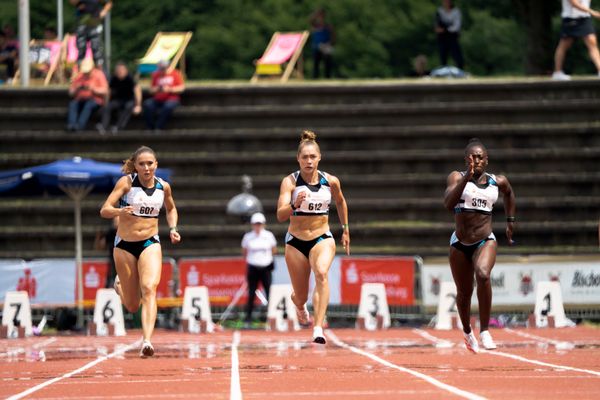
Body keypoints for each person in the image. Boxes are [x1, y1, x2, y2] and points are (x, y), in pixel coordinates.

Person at [100, 146, 180, 357]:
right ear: (135, 166)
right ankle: (120, 286)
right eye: (142, 164)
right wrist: (119, 210)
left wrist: (172, 229)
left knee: (149, 288)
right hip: (125, 245)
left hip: (150, 242)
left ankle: (147, 341)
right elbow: (104, 209)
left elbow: (171, 209)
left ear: (156, 165)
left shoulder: (164, 187)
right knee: (133, 305)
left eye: (150, 163)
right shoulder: (126, 183)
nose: (146, 168)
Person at [276, 130, 350, 344]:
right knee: (301, 296)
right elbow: (280, 215)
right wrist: (293, 205)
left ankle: (318, 327)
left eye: (312, 157)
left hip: (321, 238)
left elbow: (340, 202)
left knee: (321, 273)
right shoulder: (290, 182)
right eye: (305, 157)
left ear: (320, 158)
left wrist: (345, 228)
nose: (309, 161)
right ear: (298, 159)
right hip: (296, 241)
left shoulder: (331, 181)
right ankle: (299, 304)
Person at [443, 138, 516, 353]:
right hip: (460, 243)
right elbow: (448, 203)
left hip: (485, 240)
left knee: (483, 274)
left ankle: (485, 330)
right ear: (466, 159)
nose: (477, 160)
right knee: (464, 293)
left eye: (481, 157)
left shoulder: (497, 181)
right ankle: (467, 331)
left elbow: (509, 194)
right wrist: (466, 176)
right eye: (473, 157)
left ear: (487, 159)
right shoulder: (456, 177)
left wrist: (510, 222)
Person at [241, 212, 277, 326]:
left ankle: (272, 316)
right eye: (256, 224)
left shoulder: (269, 235)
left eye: (260, 224)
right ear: (252, 224)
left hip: (266, 266)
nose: (258, 226)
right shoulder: (248, 237)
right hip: (253, 266)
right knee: (251, 293)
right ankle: (248, 317)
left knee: (269, 292)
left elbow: (273, 249)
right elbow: (245, 251)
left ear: (263, 224)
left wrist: (267, 259)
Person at [553, 0, 600, 80]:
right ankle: (557, 72)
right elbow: (574, 3)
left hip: (584, 18)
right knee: (564, 45)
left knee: (592, 42)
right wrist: (593, 12)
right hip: (570, 18)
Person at [96, 62, 142, 134]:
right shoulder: (114, 78)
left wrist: (138, 105)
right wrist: (105, 103)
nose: (119, 72)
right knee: (108, 106)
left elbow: (137, 90)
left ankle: (118, 127)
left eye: (121, 70)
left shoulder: (130, 78)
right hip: (118, 100)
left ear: (126, 71)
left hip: (129, 100)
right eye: (118, 70)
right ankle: (103, 126)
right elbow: (108, 91)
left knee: (128, 106)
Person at [69, 0, 112, 70]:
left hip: (94, 24)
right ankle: (79, 73)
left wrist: (103, 12)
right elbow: (72, 2)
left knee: (96, 49)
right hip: (82, 24)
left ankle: (99, 73)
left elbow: (108, 3)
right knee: (81, 49)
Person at [67, 58, 108, 131]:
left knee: (88, 105)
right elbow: (71, 93)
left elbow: (105, 90)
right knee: (73, 104)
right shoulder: (79, 76)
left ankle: (79, 126)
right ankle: (71, 124)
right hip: (80, 99)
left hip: (95, 100)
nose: (86, 73)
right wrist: (77, 88)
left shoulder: (99, 74)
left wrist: (93, 89)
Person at [143, 59, 185, 131]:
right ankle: (150, 127)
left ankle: (158, 127)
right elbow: (151, 90)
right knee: (147, 104)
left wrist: (170, 89)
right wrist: (157, 89)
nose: (161, 71)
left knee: (167, 107)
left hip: (172, 99)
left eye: (163, 69)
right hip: (158, 99)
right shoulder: (155, 75)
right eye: (160, 69)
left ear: (168, 67)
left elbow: (181, 88)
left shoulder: (175, 73)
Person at [435, 0, 464, 70]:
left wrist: (445, 29)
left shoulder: (456, 11)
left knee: (456, 54)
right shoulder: (440, 11)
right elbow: (437, 23)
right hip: (442, 37)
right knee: (443, 54)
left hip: (452, 36)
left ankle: (460, 69)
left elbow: (456, 26)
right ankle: (443, 70)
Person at [309, 8, 335, 79]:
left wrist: (330, 43)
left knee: (327, 63)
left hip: (326, 46)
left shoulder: (327, 26)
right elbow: (310, 20)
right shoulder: (315, 26)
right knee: (316, 63)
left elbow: (333, 36)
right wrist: (315, 14)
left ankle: (327, 77)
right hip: (316, 47)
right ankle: (315, 77)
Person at [94, 216, 118, 288]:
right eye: (115, 221)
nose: (116, 223)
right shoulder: (111, 233)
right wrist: (98, 236)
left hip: (126, 261)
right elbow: (99, 247)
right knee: (111, 282)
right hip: (113, 263)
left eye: (117, 220)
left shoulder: (128, 231)